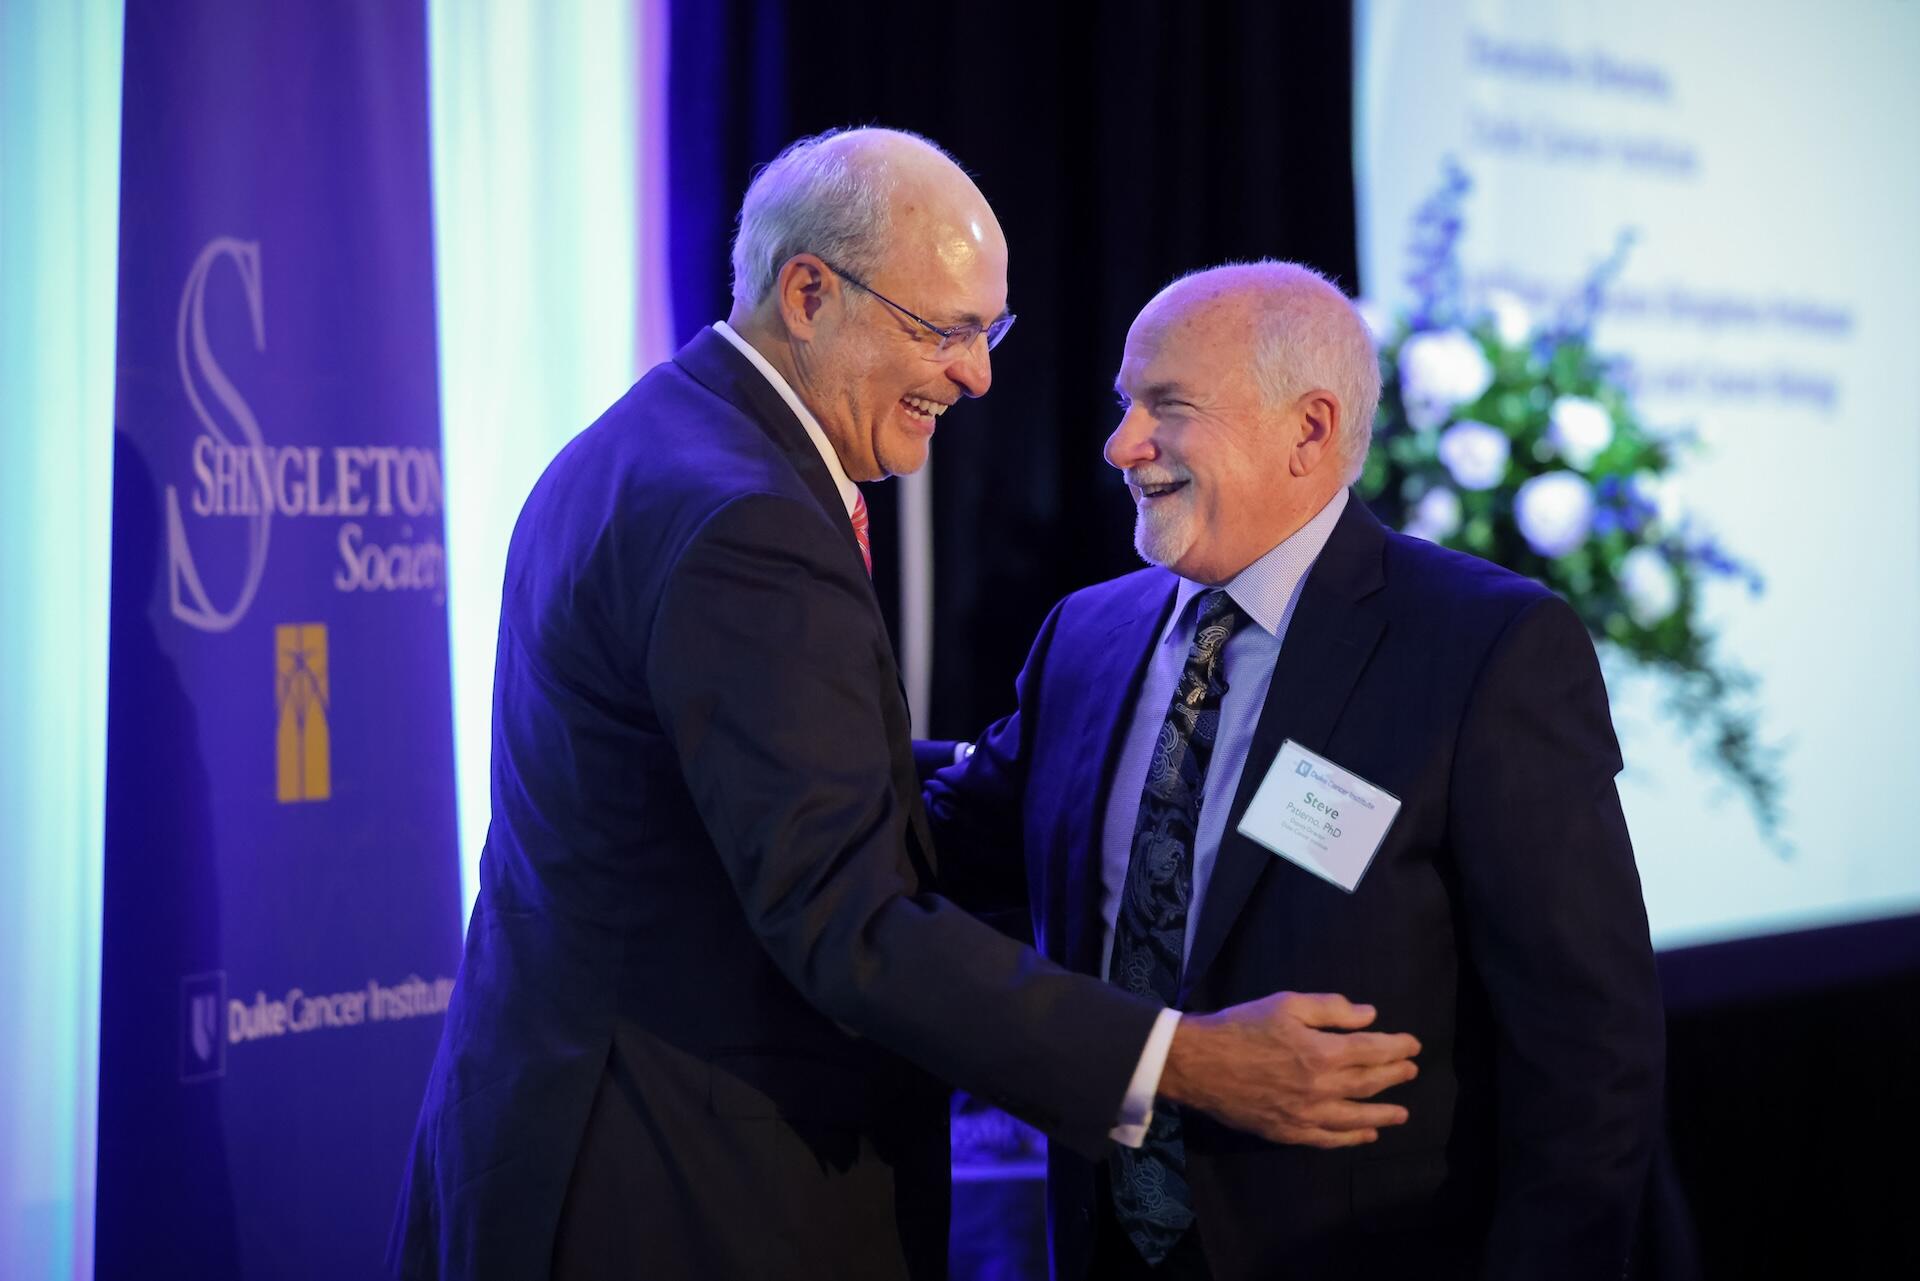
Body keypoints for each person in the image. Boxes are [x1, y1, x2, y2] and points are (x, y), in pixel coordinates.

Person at [388, 134, 1421, 1281]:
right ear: (808, 293)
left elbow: (747, 774)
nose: (977, 375)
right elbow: (849, 923)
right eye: (944, 330)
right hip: (671, 1181)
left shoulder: (653, 440)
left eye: (990, 332)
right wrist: (1182, 1061)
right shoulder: (746, 521)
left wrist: (1051, 771)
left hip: (572, 1132)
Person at [924, 261, 1666, 1280]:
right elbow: (947, 835)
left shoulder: (1483, 648)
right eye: (1125, 404)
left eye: (1167, 406)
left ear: (1309, 430)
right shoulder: (1084, 637)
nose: (1121, 444)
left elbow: (1591, 1059)